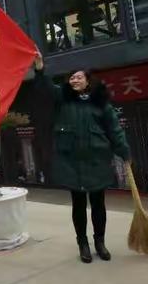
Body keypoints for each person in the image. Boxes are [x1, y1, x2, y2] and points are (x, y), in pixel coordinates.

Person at [34, 52, 131, 263]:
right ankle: (83, 244)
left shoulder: (100, 103)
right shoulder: (63, 99)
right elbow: (46, 89)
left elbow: (114, 130)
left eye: (78, 77)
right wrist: (40, 69)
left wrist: (124, 152)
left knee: (98, 205)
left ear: (88, 81)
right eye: (71, 78)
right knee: (78, 205)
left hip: (97, 161)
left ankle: (99, 242)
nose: (74, 80)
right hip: (72, 163)